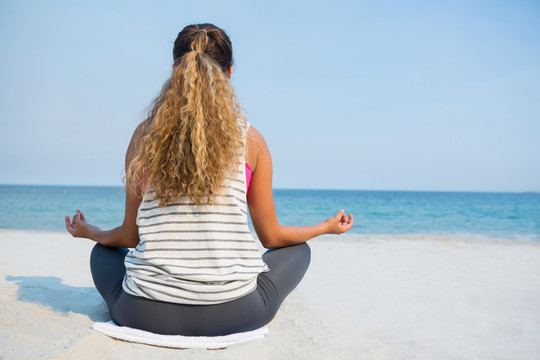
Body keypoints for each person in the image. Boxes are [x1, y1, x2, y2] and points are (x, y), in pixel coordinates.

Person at [65, 23, 353, 336]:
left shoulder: (144, 137)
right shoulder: (251, 141)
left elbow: (129, 236)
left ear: (176, 69)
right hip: (237, 314)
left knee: (103, 252)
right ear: (229, 73)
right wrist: (324, 228)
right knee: (299, 250)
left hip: (143, 314)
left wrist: (89, 232)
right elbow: (271, 238)